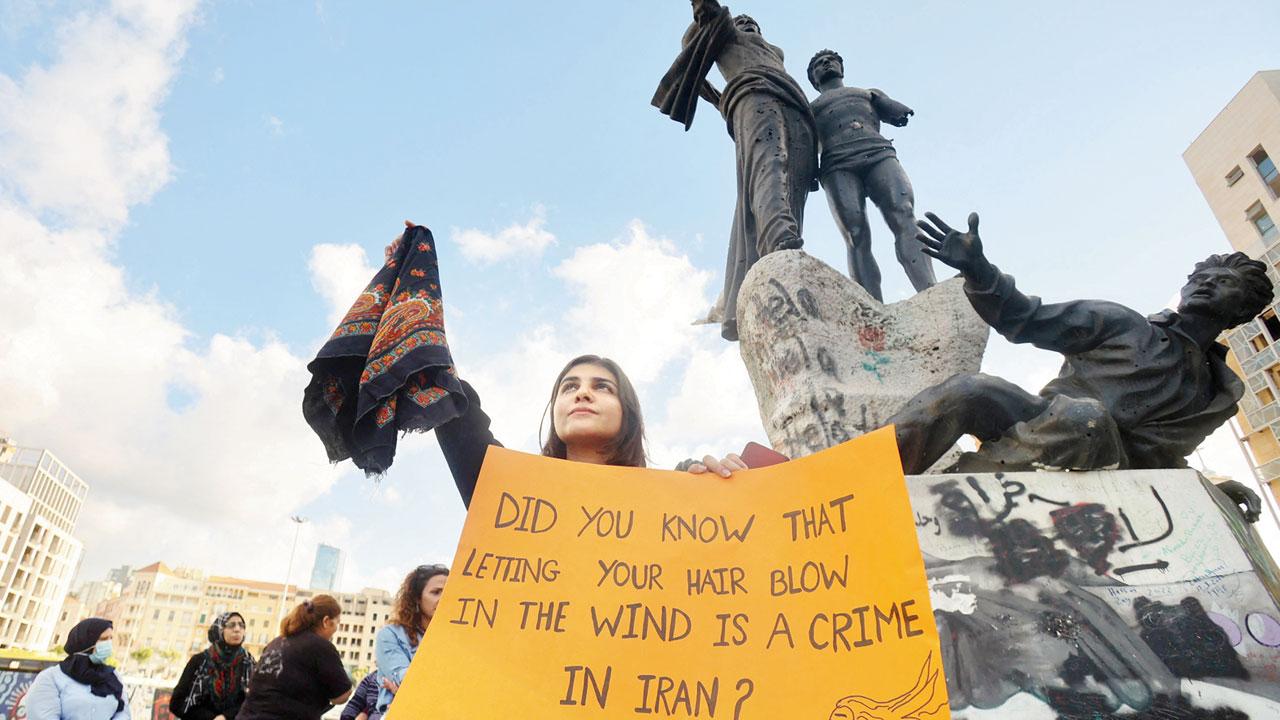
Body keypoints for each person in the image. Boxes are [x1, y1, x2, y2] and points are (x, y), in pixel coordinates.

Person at [889, 211, 1274, 488]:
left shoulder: (1216, 395)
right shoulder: (1120, 322)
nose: (1204, 285)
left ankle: (951, 496)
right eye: (1198, 279)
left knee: (1087, 419)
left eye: (1222, 281)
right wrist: (978, 270)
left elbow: (1163, 458)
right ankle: (853, 485)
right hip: (1046, 423)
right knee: (971, 391)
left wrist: (1211, 485)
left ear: (1241, 309)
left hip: (1112, 467)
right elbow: (1026, 318)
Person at [652, 0, 819, 341]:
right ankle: (779, 238)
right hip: (754, 97)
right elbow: (707, 10)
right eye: (741, 18)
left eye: (752, 20)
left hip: (796, 108)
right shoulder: (726, 33)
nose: (747, 21)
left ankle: (786, 238)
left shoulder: (774, 52)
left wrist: (718, 98)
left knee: (795, 183)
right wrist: (721, 96)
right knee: (768, 166)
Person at [436, 353, 745, 508]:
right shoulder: (508, 493)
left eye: (603, 387)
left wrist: (731, 487)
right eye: (569, 387)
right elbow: (452, 408)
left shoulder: (674, 494)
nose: (582, 394)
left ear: (628, 413)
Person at [807, 48, 935, 301]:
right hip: (837, 164)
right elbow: (803, 142)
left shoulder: (867, 93)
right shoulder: (810, 107)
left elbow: (895, 112)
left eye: (830, 60)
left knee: (904, 213)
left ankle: (930, 289)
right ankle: (871, 304)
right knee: (855, 233)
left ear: (841, 67)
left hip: (877, 152)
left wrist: (895, 109)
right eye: (818, 64)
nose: (825, 64)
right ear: (813, 79)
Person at [237, 596, 352, 720]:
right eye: (337, 623)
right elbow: (342, 694)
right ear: (326, 621)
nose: (336, 629)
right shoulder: (321, 646)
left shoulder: (276, 642)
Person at [373, 565, 449, 715]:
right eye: (436, 592)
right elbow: (407, 680)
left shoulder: (455, 639)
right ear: (417, 598)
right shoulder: (390, 635)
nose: (443, 598)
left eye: (448, 592)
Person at [27, 617, 129, 720]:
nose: (109, 644)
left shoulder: (113, 676)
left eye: (111, 638)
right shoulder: (51, 678)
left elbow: (123, 713)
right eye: (103, 639)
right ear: (86, 641)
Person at [170, 612, 255, 720]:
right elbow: (177, 703)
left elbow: (253, 702)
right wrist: (211, 718)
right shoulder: (199, 661)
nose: (237, 629)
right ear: (219, 630)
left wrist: (226, 717)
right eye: (231, 625)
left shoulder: (249, 664)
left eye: (241, 625)